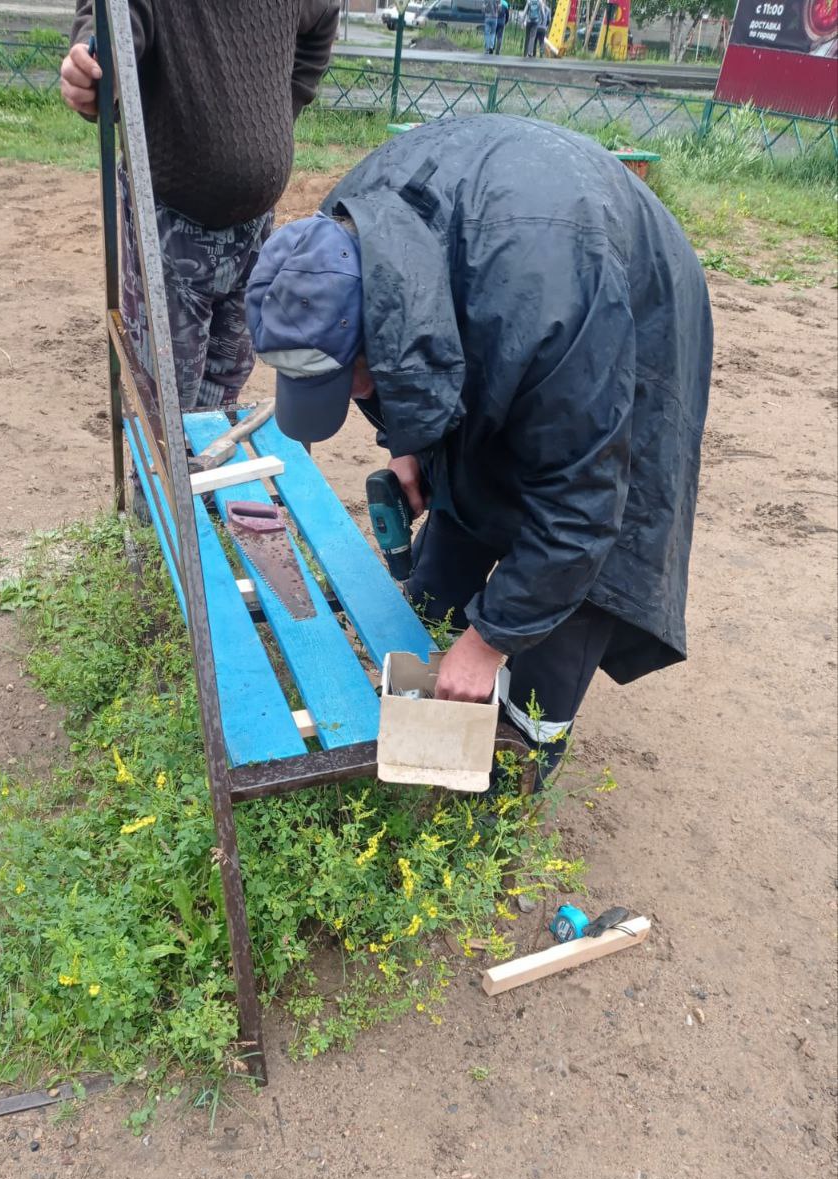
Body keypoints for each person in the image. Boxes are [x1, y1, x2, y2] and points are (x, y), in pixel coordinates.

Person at [245, 116, 712, 783]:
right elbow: (420, 360)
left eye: (346, 378)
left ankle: (518, 765)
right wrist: (405, 442)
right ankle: (449, 651)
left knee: (581, 552)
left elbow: (581, 502)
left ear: (377, 331)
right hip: (505, 261)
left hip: (620, 295)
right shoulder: (336, 238)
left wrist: (490, 642)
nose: (348, 397)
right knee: (459, 508)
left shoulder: (546, 305)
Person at [60, 1, 339, 412]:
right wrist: (98, 69)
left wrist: (282, 106)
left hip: (254, 228)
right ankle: (164, 456)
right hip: (171, 223)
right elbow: (117, 22)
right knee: (166, 398)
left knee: (225, 385)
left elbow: (323, 17)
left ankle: (205, 453)